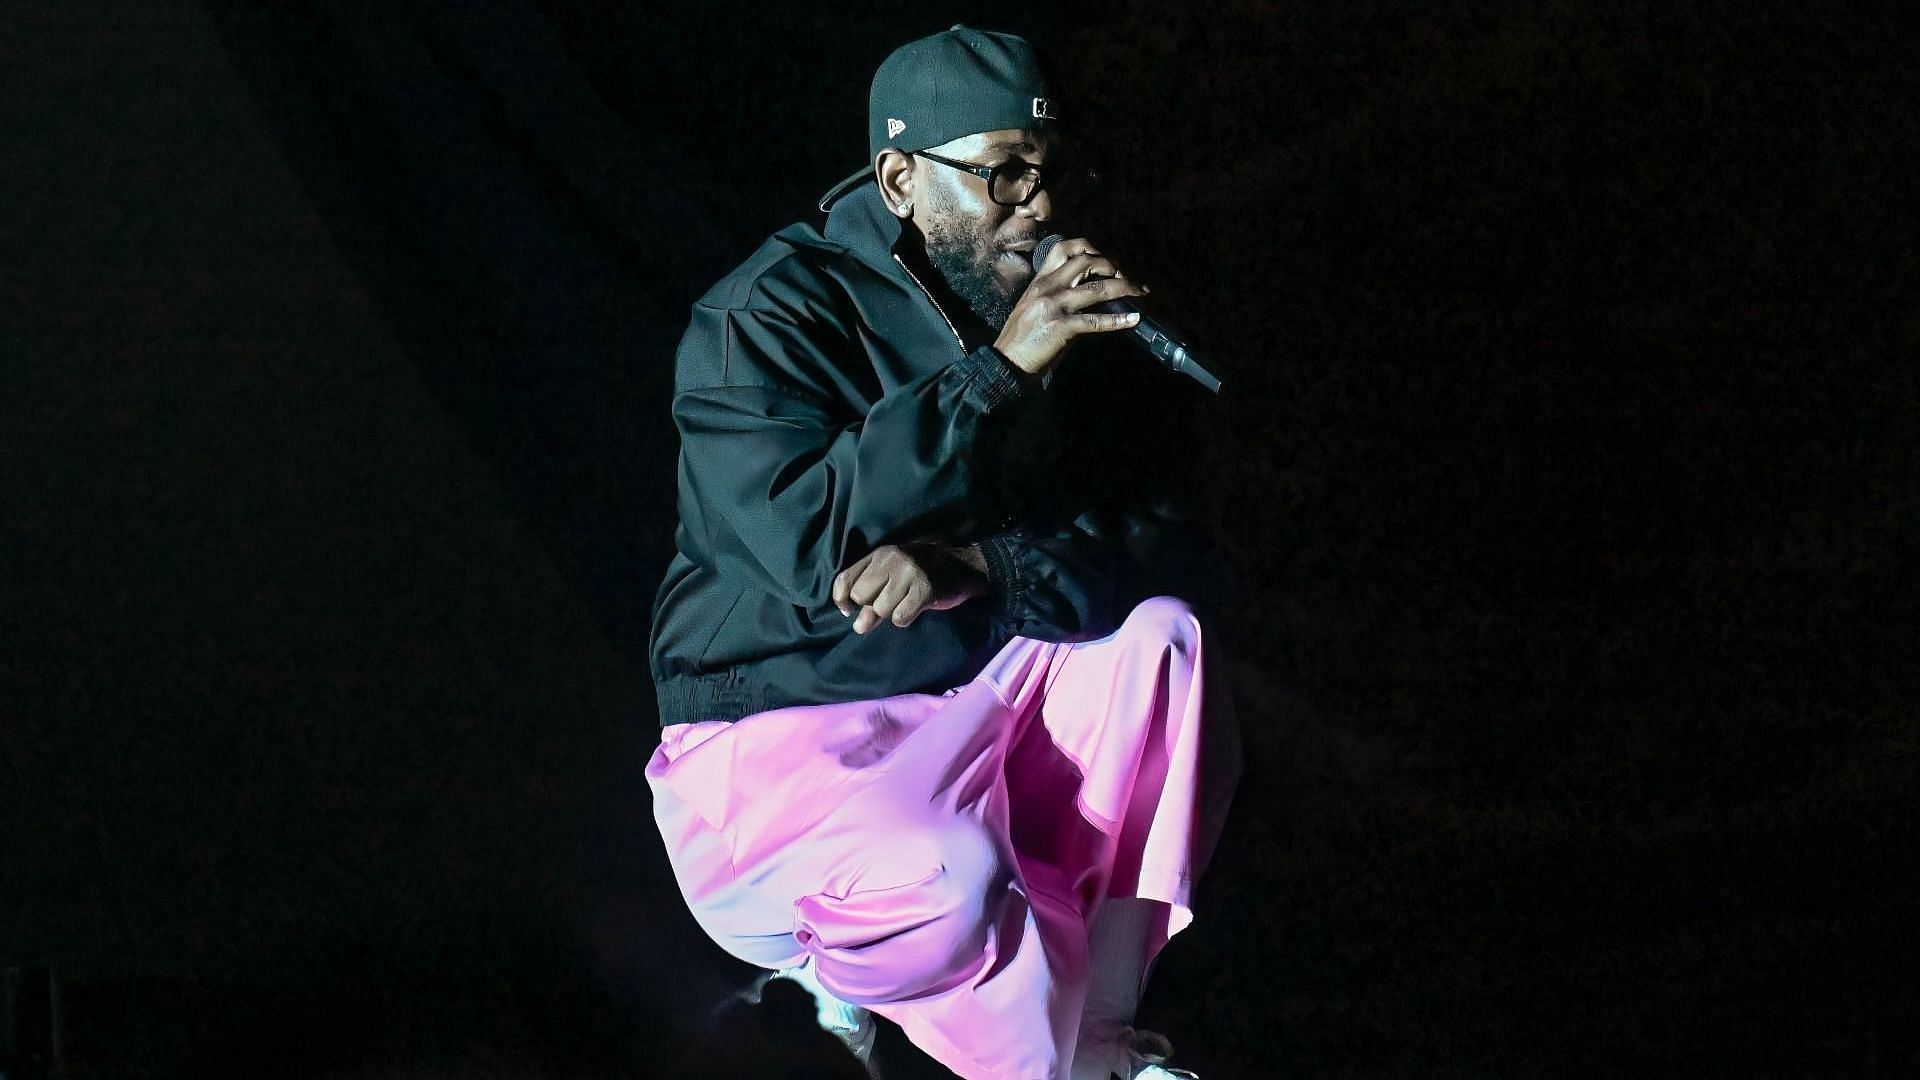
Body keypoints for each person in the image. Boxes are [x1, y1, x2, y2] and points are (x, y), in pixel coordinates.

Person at [644, 25, 1240, 1080]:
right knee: (952, 877)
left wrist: (981, 570)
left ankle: (1101, 1032)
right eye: (1003, 174)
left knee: (1162, 644)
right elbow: (809, 543)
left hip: (968, 708)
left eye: (1052, 176)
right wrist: (998, 374)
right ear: (900, 177)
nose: (1039, 207)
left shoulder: (1062, 316)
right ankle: (838, 964)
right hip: (782, 739)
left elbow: (1167, 537)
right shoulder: (768, 316)